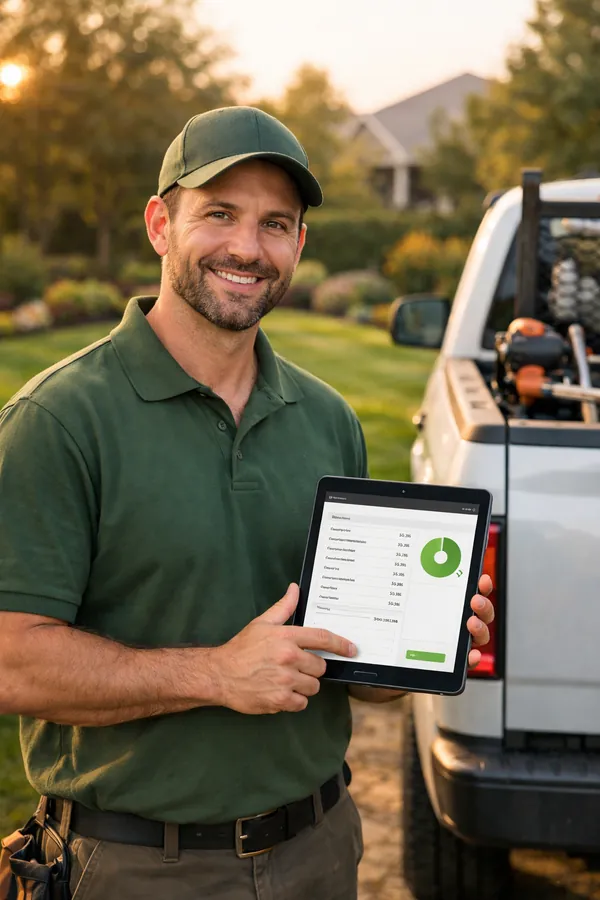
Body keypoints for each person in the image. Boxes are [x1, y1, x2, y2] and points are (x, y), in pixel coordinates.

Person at [0, 106, 494, 900]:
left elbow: (352, 673)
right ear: (160, 225)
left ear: (299, 245)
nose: (247, 248)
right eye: (220, 214)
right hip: (134, 867)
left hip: (319, 852)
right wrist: (217, 674)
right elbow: (11, 660)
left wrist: (423, 642)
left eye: (275, 224)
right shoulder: (58, 420)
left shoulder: (327, 419)